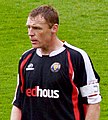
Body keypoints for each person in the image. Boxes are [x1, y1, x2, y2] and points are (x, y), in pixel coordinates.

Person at [10, 5, 101, 120]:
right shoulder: (26, 58)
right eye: (28, 27)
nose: (30, 33)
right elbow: (18, 104)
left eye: (37, 28)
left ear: (54, 28)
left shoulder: (76, 57)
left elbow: (93, 103)